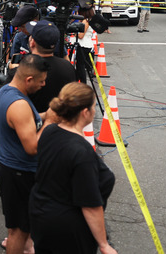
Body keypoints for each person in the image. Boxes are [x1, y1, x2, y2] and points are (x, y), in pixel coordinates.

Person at [29, 83, 117, 254]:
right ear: (85, 112)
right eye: (93, 107)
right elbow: (90, 205)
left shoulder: (51, 131)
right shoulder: (81, 152)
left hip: (40, 214)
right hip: (67, 228)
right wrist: (104, 244)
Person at [0, 54, 50, 254]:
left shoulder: (7, 90)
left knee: (18, 226)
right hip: (19, 173)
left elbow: (29, 121)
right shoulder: (19, 104)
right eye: (41, 81)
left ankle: (27, 249)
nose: (43, 85)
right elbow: (33, 147)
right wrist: (51, 122)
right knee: (19, 230)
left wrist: (46, 115)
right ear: (29, 80)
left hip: (12, 168)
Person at [26, 20, 77, 113]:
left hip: (33, 122)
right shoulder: (68, 67)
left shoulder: (25, 69)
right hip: (62, 120)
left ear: (32, 43)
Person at [75, 7, 96, 84]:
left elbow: (81, 36)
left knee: (81, 66)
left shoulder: (85, 22)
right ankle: (77, 82)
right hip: (85, 45)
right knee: (80, 66)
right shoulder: (88, 20)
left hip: (83, 45)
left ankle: (83, 83)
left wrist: (74, 32)